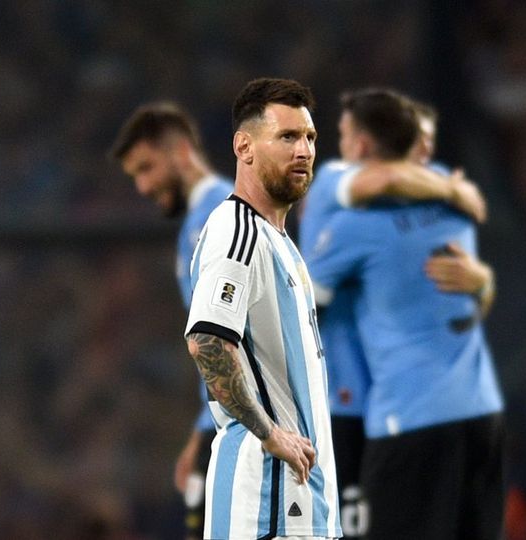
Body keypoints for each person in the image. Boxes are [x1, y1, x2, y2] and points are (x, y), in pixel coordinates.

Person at [305, 88, 504, 540]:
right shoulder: (452, 196)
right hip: (481, 410)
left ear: (361, 145)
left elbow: (301, 302)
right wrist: (484, 283)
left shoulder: (352, 220)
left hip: (403, 415)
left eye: (343, 134)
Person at [184, 77, 341, 540]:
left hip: (300, 502)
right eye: (287, 137)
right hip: (267, 504)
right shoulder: (238, 230)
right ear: (244, 147)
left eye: (310, 137)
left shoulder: (280, 242)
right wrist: (270, 433)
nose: (304, 151)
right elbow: (207, 340)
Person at [109, 102, 233, 540]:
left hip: (243, 427)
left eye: (147, 168)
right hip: (225, 421)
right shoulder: (203, 220)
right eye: (135, 176)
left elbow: (231, 337)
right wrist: (203, 429)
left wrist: (215, 432)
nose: (142, 186)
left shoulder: (221, 216)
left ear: (182, 152)